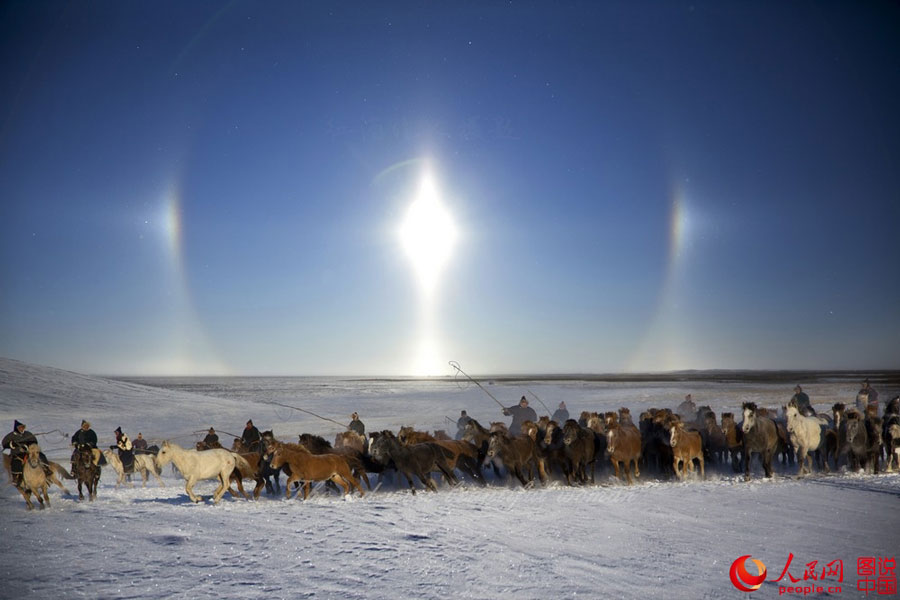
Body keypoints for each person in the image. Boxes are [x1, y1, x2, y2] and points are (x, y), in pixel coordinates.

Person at [2, 420, 40, 488]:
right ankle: (17, 478)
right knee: (16, 462)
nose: (22, 429)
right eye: (20, 427)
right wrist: (12, 444)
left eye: (23, 427)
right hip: (16, 453)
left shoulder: (28, 434)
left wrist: (28, 445)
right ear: (17, 428)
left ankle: (46, 470)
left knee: (41, 456)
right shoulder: (11, 435)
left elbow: (34, 441)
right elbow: (4, 443)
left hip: (29, 452)